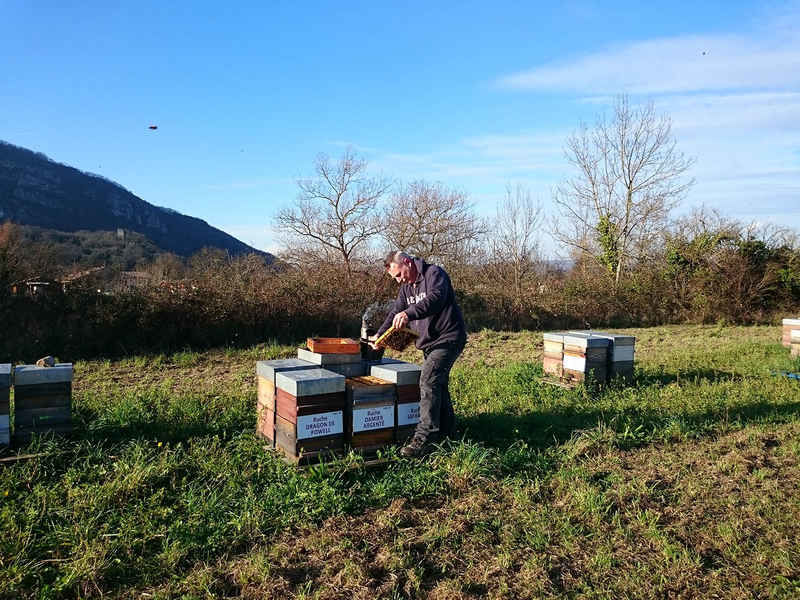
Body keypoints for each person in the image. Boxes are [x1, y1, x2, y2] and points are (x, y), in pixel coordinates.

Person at [373, 251, 467, 457]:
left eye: (399, 275)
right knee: (438, 384)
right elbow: (395, 312)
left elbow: (436, 298)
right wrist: (379, 335)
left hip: (449, 338)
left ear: (407, 262)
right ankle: (448, 432)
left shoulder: (434, 273)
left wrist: (409, 313)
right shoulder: (406, 289)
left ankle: (424, 440)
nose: (399, 281)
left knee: (428, 381)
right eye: (395, 278)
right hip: (429, 343)